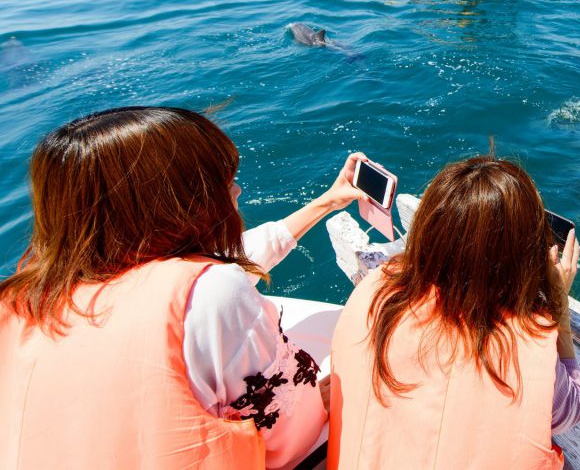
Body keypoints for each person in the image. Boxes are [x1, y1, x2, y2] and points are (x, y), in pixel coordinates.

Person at [0, 107, 371, 469]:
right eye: (222, 182)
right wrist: (322, 400)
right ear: (173, 204)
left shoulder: (22, 299)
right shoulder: (210, 291)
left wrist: (327, 202)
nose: (237, 190)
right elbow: (290, 442)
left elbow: (236, 256)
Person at [327, 155, 580, 469]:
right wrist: (557, 305)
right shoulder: (523, 341)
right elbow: (571, 409)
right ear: (519, 255)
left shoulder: (375, 293)